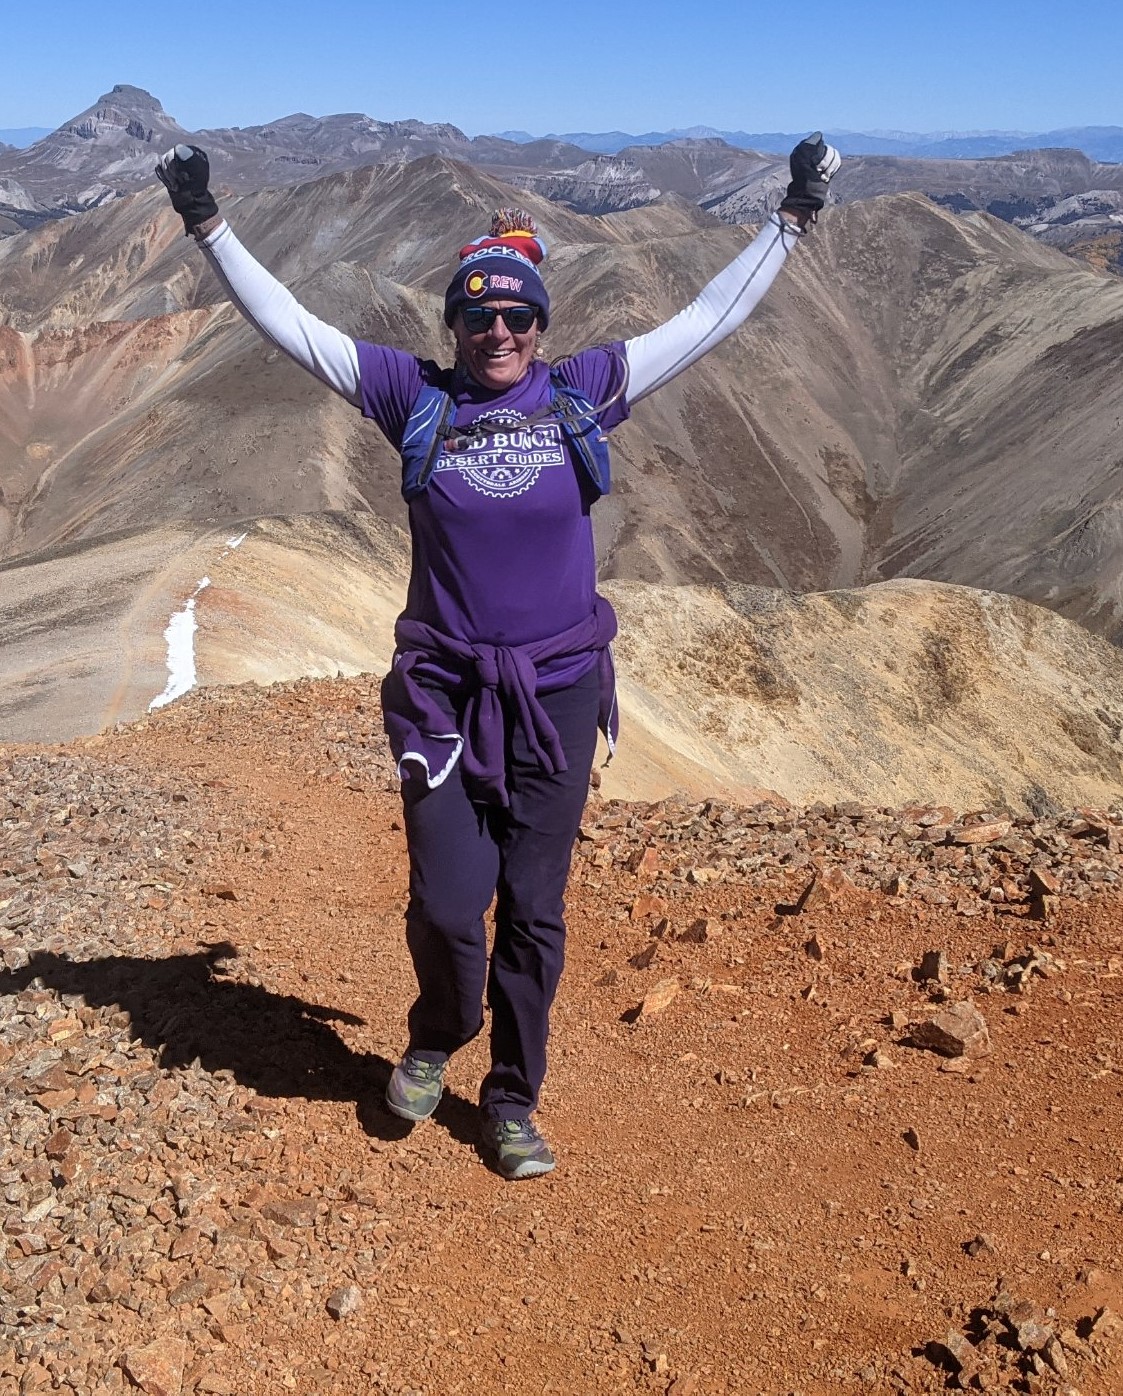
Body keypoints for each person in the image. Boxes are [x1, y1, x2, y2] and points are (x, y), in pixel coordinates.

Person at [155, 131, 841, 1180]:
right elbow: (294, 326)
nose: (500, 330)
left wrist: (788, 221)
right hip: (442, 693)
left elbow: (707, 320)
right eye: (479, 313)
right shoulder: (413, 398)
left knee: (533, 908)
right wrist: (211, 228)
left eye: (519, 314)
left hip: (560, 695)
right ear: (456, 323)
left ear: (540, 323)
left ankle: (512, 1096)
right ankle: (439, 1029)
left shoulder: (585, 392)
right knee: (444, 902)